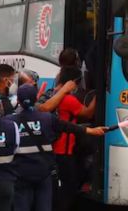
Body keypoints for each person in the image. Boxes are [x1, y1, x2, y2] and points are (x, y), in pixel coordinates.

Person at [8, 84, 106, 211]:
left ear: (19, 101)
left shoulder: (9, 121)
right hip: (43, 173)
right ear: (35, 99)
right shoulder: (47, 118)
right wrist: (91, 131)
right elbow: (69, 127)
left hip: (21, 174)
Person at [50, 66, 97, 211]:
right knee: (69, 188)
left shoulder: (55, 96)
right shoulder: (68, 99)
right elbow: (88, 113)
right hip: (65, 149)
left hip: (56, 148)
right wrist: (99, 94)